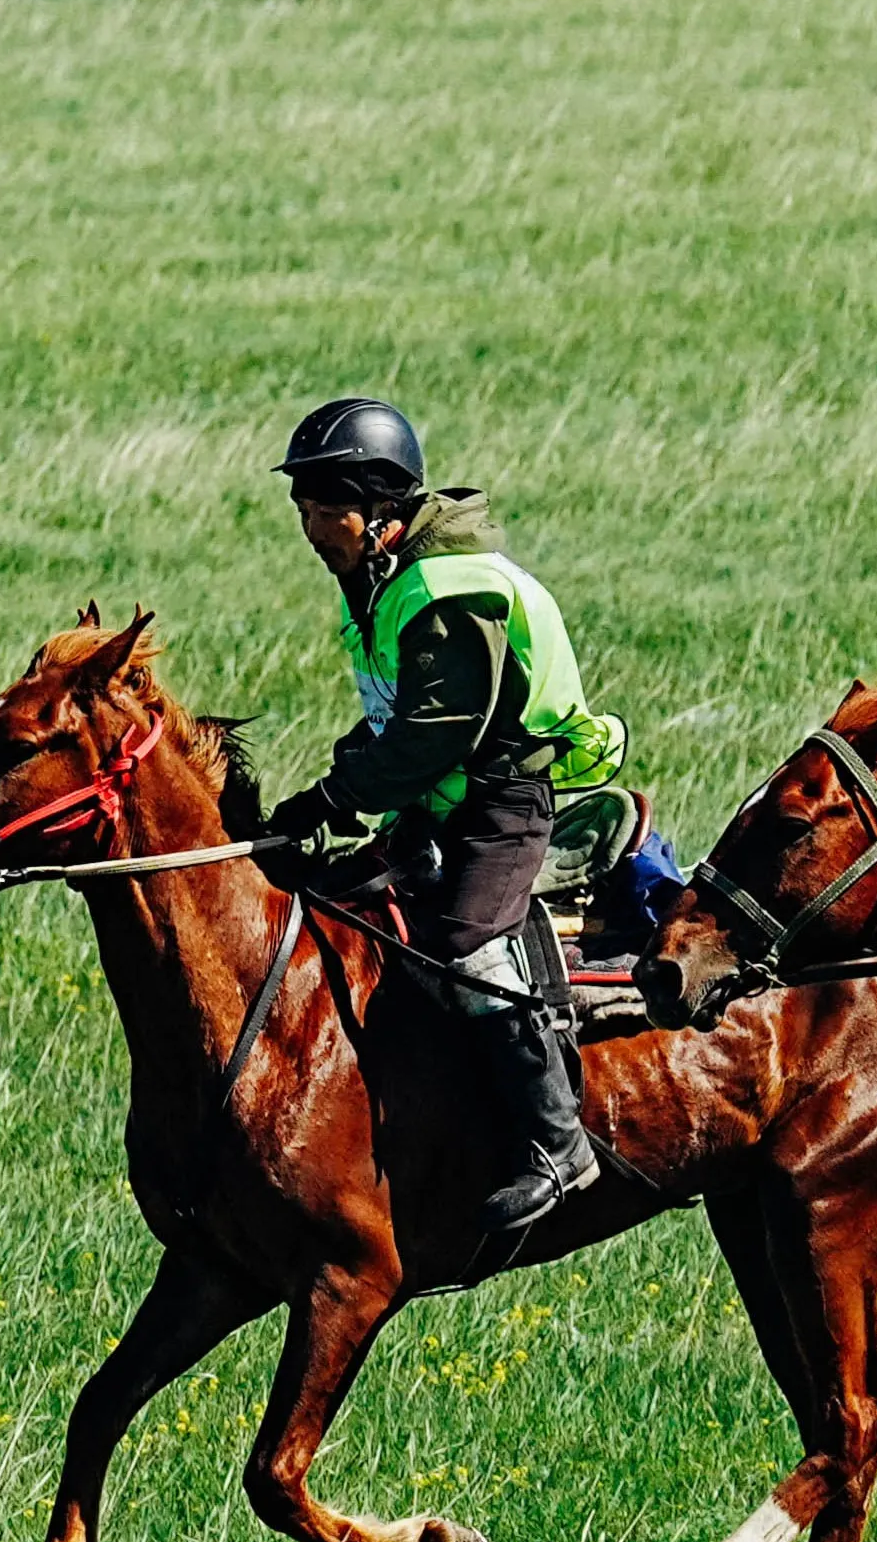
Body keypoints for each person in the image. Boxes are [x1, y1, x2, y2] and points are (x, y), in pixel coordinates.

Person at [261, 396, 622, 1248]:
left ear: (381, 511)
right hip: (445, 796)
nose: (312, 529)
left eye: (326, 511)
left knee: (467, 944)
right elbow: (393, 719)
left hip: (504, 798)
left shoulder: (447, 590)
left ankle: (557, 1142)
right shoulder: (383, 577)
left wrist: (329, 798)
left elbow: (431, 737)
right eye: (304, 510)